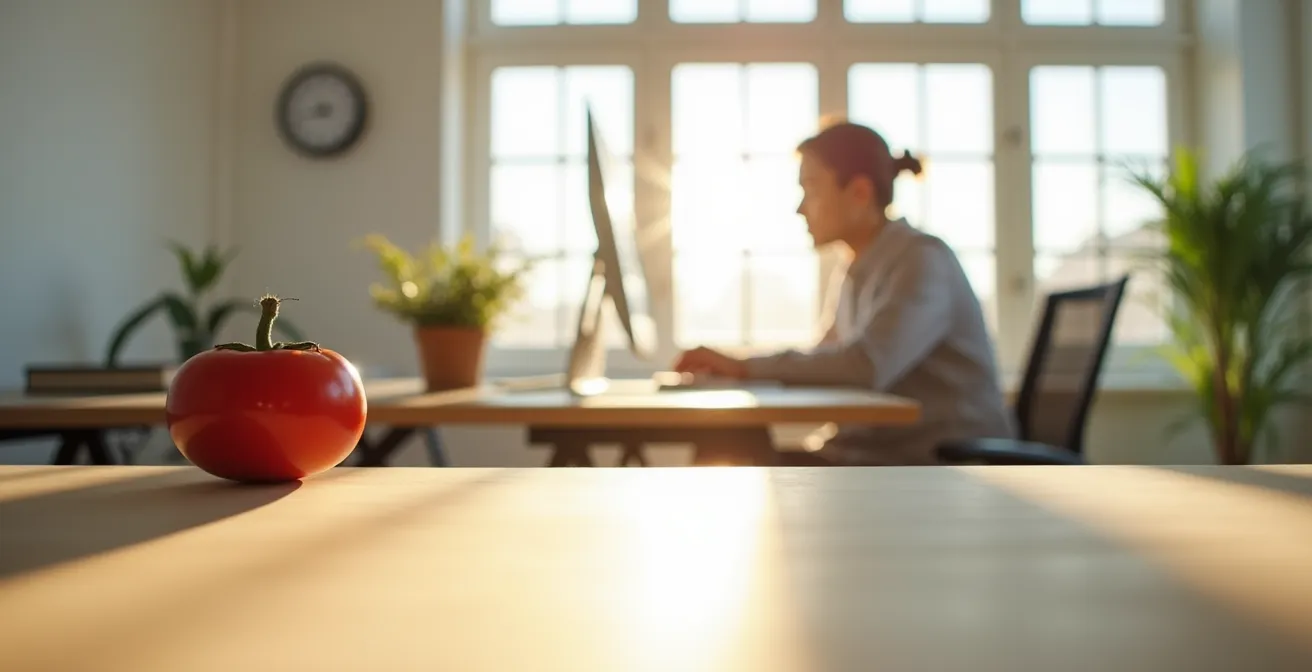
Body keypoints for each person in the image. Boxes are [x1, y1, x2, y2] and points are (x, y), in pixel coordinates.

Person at [672, 120, 1015, 466]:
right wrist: (737, 367)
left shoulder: (922, 261)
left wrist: (743, 367)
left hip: (935, 468)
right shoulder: (854, 268)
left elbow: (866, 366)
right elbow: (825, 358)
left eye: (811, 189)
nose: (800, 208)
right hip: (869, 456)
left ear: (859, 193)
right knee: (729, 439)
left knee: (732, 448)